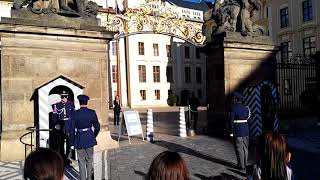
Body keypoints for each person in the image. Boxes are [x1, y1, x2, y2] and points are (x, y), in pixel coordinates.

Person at [71, 94, 100, 180]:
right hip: (89, 137)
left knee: (81, 160)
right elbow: (97, 127)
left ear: (79, 102)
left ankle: (82, 178)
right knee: (90, 159)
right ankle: (89, 178)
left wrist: (72, 141)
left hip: (79, 138)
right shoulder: (92, 112)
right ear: (87, 102)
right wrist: (93, 136)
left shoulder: (75, 113)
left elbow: (71, 129)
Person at [229, 91, 250, 171]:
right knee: (245, 148)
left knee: (239, 148)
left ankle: (241, 165)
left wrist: (231, 132)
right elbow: (248, 119)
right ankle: (245, 163)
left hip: (237, 130)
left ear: (235, 99)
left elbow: (231, 121)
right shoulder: (246, 108)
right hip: (246, 130)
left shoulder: (233, 108)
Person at [52, 90, 75, 164]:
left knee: (69, 142)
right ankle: (62, 158)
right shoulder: (57, 105)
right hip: (60, 126)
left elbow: (73, 116)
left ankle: (68, 157)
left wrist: (73, 126)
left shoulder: (71, 104)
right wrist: (55, 124)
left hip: (69, 125)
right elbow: (54, 116)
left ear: (67, 97)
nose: (63, 99)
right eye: (62, 97)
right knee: (61, 143)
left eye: (64, 97)